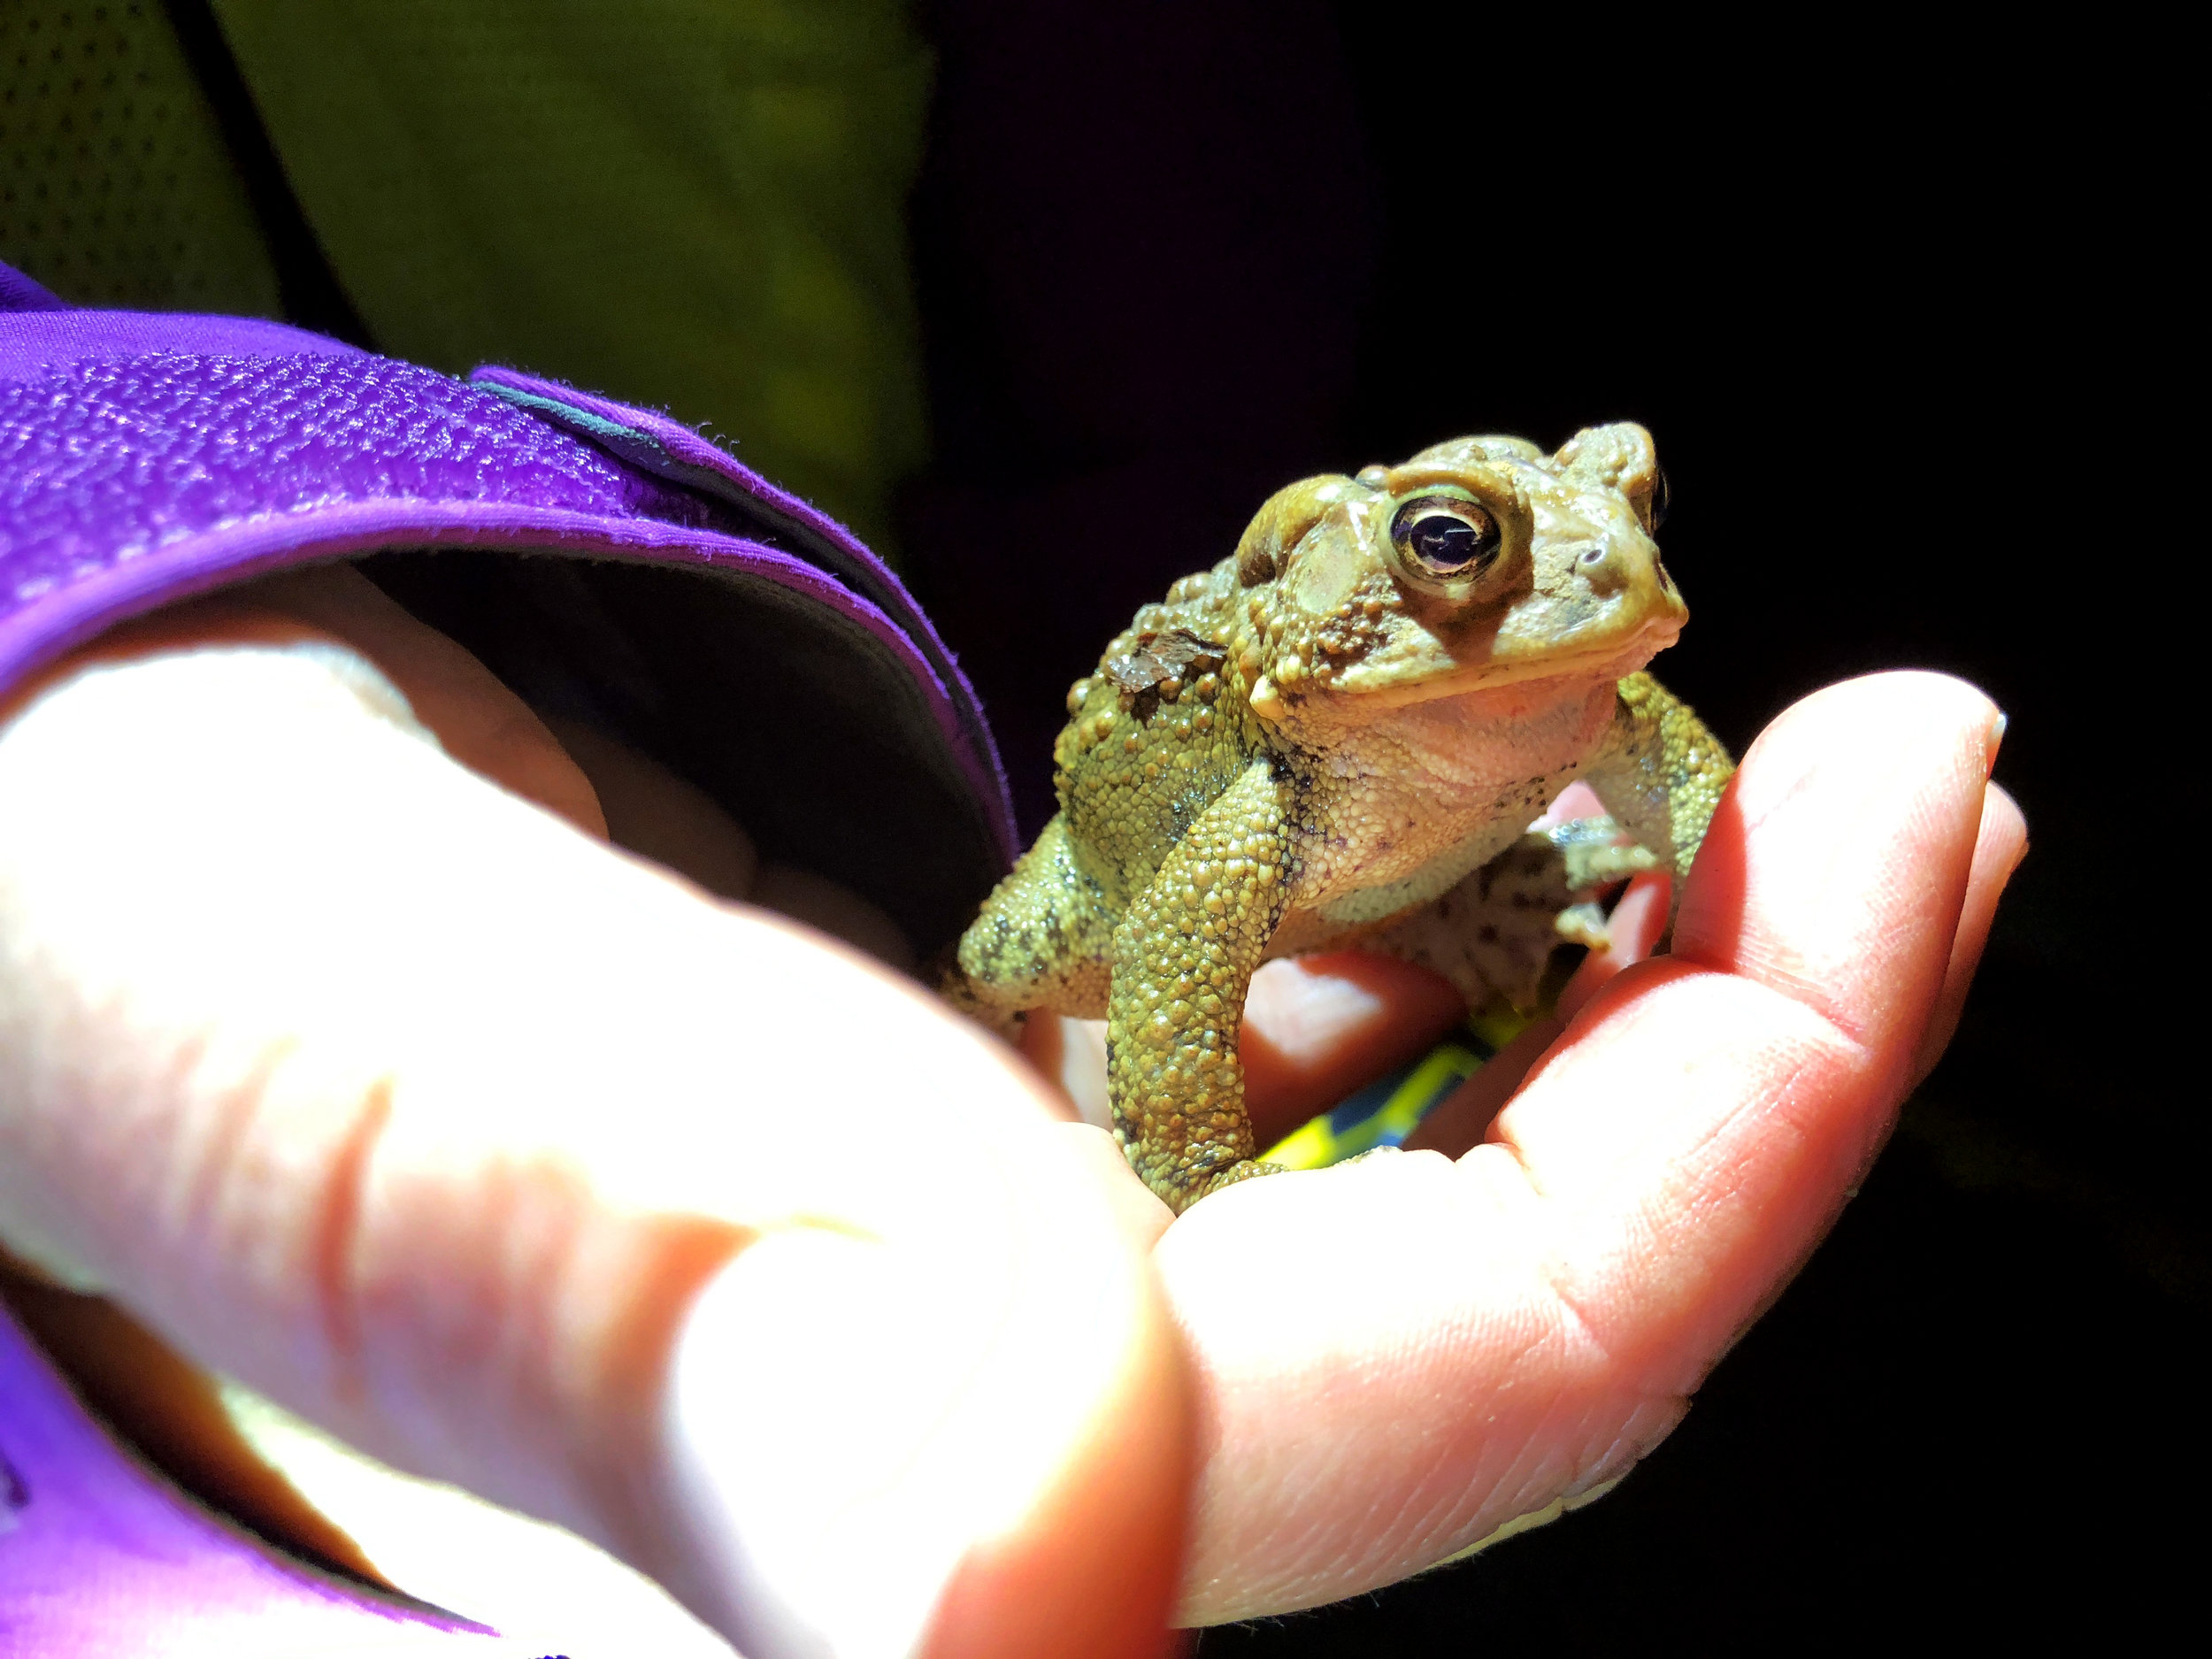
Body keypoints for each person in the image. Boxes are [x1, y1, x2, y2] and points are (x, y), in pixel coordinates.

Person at [0, 547, 2024, 1655]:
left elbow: (1657, 751)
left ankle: (1460, 925)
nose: (1591, 569)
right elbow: (1166, 956)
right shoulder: (1272, 760)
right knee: (995, 967)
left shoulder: (1571, 667)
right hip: (1096, 823)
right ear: (1385, 575)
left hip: (1384, 763)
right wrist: (1178, 1150)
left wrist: (1679, 858)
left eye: (1621, 510)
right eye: (1462, 551)